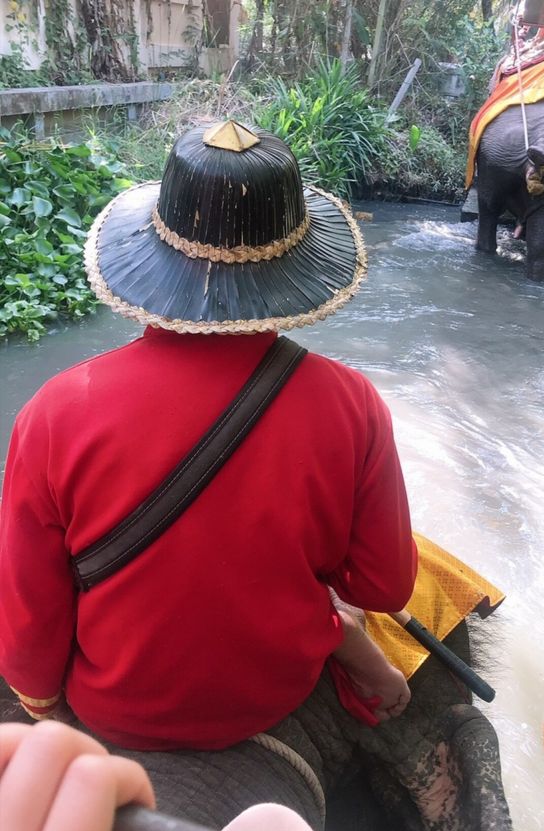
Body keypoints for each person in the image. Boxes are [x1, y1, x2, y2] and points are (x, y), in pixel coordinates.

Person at [0, 119, 416, 748]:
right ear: (296, 265)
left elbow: (30, 617)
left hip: (113, 708)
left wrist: (45, 706)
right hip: (274, 696)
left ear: (150, 257)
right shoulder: (352, 402)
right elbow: (384, 586)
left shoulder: (55, 411)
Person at [0, 720, 343, 831]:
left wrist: (46, 707)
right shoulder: (275, 827)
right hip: (283, 693)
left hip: (119, 715)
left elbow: (31, 656)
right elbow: (380, 592)